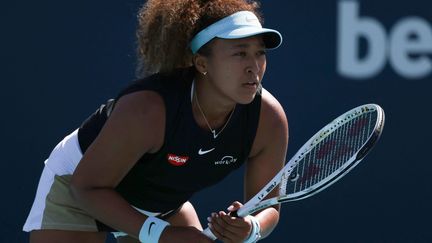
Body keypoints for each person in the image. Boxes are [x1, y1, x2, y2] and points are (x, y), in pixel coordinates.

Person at [23, 0, 288, 242]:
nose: (254, 66)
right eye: (240, 53)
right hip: (81, 190)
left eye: (260, 53)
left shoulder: (268, 120)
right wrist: (161, 234)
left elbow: (268, 206)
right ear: (202, 63)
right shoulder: (148, 109)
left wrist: (251, 227)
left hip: (159, 206)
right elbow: (86, 187)